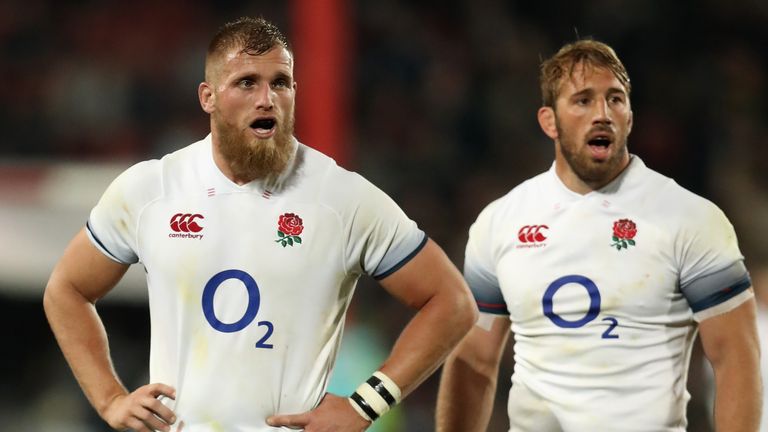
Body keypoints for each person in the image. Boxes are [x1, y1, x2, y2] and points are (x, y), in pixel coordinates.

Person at [43, 16, 478, 432]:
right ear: (207, 96)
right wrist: (110, 399)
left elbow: (452, 301)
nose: (266, 98)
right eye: (247, 82)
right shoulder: (151, 189)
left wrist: (366, 404)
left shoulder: (342, 199)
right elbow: (67, 290)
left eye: (280, 83)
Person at [435, 39, 762, 432]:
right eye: (583, 100)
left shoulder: (690, 219)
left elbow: (736, 358)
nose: (603, 114)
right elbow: (474, 360)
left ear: (629, 117)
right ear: (549, 121)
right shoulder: (500, 222)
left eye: (615, 99)